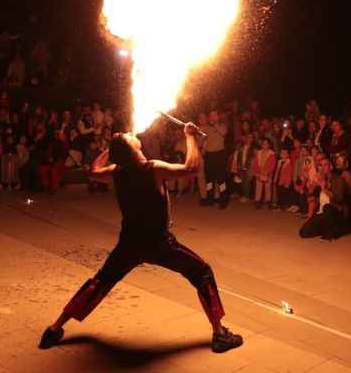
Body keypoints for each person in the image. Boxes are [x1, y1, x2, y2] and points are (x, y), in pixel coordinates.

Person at [38, 123, 243, 353]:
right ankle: (219, 333)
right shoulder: (152, 168)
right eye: (127, 136)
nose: (131, 134)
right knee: (202, 271)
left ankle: (55, 328)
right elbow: (192, 168)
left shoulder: (117, 172)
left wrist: (111, 148)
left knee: (100, 281)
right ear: (132, 148)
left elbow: (93, 171)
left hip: (129, 244)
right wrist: (190, 137)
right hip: (160, 244)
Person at [299, 156, 347, 241]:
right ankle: (327, 228)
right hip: (322, 213)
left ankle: (328, 235)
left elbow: (339, 199)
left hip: (335, 212)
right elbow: (309, 194)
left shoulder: (338, 179)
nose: (322, 167)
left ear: (331, 167)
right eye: (320, 165)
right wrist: (311, 182)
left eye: (326, 165)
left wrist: (323, 187)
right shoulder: (320, 178)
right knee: (303, 233)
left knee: (327, 207)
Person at [201, 110, 230, 208]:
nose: (212, 117)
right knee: (209, 180)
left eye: (214, 115)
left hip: (219, 155)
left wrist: (215, 124)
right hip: (209, 156)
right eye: (211, 115)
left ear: (218, 117)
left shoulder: (222, 126)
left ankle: (224, 200)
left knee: (221, 180)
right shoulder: (206, 128)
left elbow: (223, 133)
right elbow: (204, 140)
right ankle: (210, 199)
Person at [251, 137, 276, 209]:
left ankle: (268, 202)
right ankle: (257, 202)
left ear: (269, 145)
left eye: (266, 144)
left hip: (267, 173)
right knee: (258, 187)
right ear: (261, 145)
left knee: (268, 188)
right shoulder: (258, 153)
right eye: (263, 144)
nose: (265, 145)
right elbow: (255, 163)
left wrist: (267, 172)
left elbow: (272, 165)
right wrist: (255, 172)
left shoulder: (271, 154)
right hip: (259, 172)